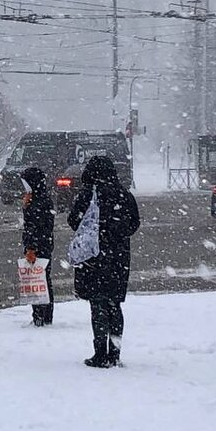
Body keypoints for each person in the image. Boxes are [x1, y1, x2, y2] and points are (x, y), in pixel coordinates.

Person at [68, 155, 140, 367]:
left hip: (93, 258)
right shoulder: (124, 195)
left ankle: (100, 353)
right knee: (114, 305)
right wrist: (116, 234)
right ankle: (114, 353)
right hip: (119, 258)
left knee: (97, 305)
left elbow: (74, 221)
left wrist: (96, 233)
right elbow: (134, 224)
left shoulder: (89, 196)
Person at [20, 166, 55, 327]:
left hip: (37, 247)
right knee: (43, 279)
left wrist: (31, 248)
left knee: (37, 280)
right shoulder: (43, 199)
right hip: (45, 244)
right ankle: (45, 315)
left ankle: (40, 316)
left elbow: (34, 227)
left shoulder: (37, 202)